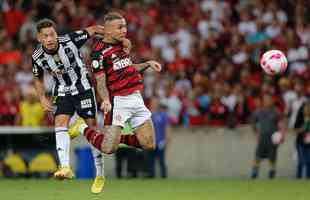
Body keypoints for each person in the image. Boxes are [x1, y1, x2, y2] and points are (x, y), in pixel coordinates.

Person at [32, 18, 130, 193]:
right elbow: (38, 77)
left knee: (91, 129)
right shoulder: (37, 56)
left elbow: (93, 29)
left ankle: (99, 174)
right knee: (60, 123)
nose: (50, 38)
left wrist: (117, 38)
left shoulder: (69, 40)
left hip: (83, 88)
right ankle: (65, 167)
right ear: (39, 38)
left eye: (52, 34)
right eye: (45, 36)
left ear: (56, 33)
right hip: (62, 91)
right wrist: (42, 98)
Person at [69, 12, 161, 156]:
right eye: (119, 27)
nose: (124, 30)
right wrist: (105, 99)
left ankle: (115, 138)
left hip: (136, 97)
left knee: (149, 144)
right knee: (108, 149)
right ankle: (81, 127)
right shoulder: (98, 53)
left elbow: (128, 67)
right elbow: (100, 81)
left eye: (124, 26)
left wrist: (147, 64)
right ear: (109, 30)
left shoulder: (123, 44)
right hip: (117, 101)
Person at [250, 94, 285, 179]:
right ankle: (254, 173)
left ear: (272, 101)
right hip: (262, 138)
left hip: (272, 139)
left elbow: (281, 124)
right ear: (263, 101)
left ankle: (271, 173)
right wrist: (256, 133)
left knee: (272, 158)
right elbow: (253, 123)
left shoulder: (276, 111)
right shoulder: (259, 111)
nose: (267, 101)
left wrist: (282, 135)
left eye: (269, 99)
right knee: (257, 156)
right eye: (266, 100)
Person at [147, 99, 171, 178]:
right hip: (151, 142)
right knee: (151, 161)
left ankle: (164, 176)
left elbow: (167, 129)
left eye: (155, 103)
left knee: (161, 161)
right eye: (152, 103)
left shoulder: (163, 115)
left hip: (160, 142)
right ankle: (151, 176)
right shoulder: (149, 115)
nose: (154, 105)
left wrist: (166, 141)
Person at [294, 99, 310, 179]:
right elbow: (296, 130)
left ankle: (308, 177)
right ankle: (298, 177)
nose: (307, 109)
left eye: (308, 107)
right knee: (300, 161)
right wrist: (303, 127)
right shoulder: (300, 118)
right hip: (300, 142)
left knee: (309, 161)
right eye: (305, 107)